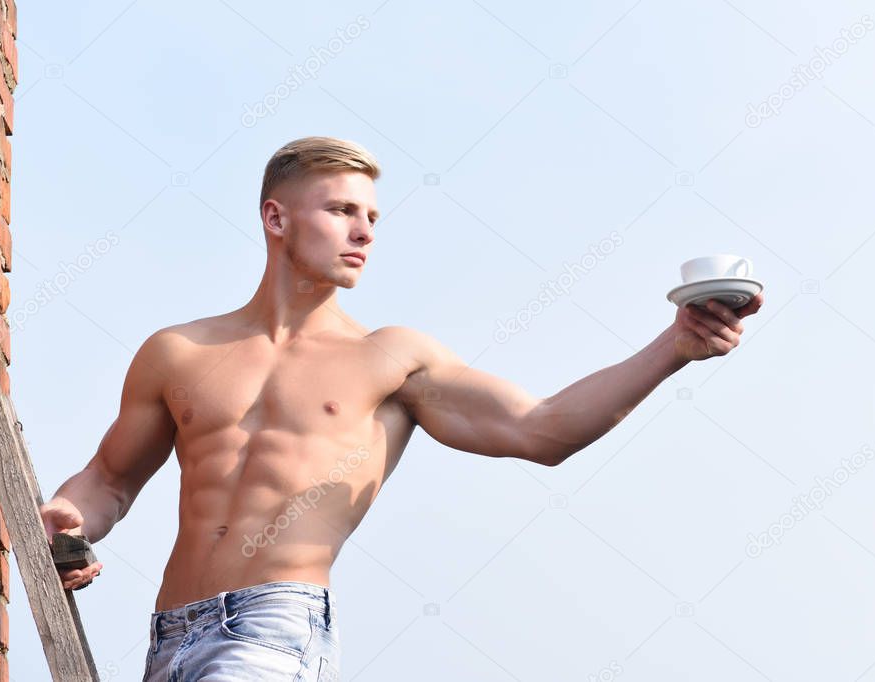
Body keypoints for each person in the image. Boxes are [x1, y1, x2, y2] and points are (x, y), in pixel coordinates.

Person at [38, 136, 764, 680]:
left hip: (271, 626)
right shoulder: (178, 351)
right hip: (168, 634)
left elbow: (541, 430)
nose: (364, 233)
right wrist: (71, 519)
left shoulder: (389, 359)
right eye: (341, 210)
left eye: (372, 217)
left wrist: (675, 345)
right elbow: (108, 479)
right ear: (276, 217)